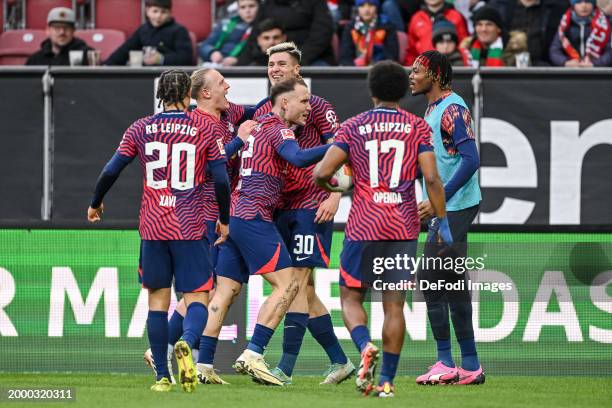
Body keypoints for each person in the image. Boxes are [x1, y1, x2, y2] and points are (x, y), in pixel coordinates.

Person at [313, 60, 452, 397]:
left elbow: (321, 172)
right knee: (394, 305)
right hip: (403, 226)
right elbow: (431, 178)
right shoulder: (418, 127)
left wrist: (341, 186)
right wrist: (442, 219)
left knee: (350, 296)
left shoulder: (351, 126)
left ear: (372, 90)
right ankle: (387, 382)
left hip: (364, 224)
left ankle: (364, 347)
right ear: (403, 89)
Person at [87, 70, 231, 393]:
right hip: (190, 225)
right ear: (187, 96)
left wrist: (96, 202)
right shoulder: (205, 126)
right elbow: (221, 179)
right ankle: (188, 343)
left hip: (153, 227)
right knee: (197, 298)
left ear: (161, 96)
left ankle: (162, 377)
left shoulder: (140, 127)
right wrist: (224, 218)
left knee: (157, 302)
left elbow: (112, 169)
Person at [198, 78, 332, 386]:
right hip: (254, 215)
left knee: (225, 292)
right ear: (284, 103)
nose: (308, 108)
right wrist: (338, 146)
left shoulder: (254, 127)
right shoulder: (278, 128)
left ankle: (204, 363)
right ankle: (254, 353)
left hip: (234, 212)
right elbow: (297, 157)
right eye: (303, 101)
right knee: (288, 286)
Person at [142, 69, 257, 385]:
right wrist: (239, 141)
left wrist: (281, 83)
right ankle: (177, 349)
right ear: (204, 93)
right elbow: (209, 170)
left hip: (214, 215)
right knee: (200, 291)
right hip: (202, 215)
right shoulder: (196, 125)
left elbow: (257, 107)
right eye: (221, 83)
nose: (228, 86)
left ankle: (180, 353)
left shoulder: (224, 111)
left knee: (210, 289)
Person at [251, 42, 354, 385]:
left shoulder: (320, 108)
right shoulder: (267, 109)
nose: (275, 69)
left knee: (295, 283)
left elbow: (343, 151)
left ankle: (284, 368)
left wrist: (336, 195)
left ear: (297, 69)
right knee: (304, 289)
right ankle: (340, 361)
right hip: (282, 205)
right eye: (271, 65)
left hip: (313, 204)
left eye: (282, 64)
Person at [408, 50, 484, 386]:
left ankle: (448, 362)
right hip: (448, 208)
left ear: (435, 75)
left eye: (417, 70)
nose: (411, 75)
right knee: (450, 284)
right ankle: (467, 365)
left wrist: (440, 198)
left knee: (429, 279)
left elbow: (471, 159)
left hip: (455, 208)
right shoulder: (434, 108)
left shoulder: (452, 108)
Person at [105, 0, 193, 66]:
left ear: (170, 13)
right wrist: (105, 66)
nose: (158, 16)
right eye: (155, 11)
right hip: (145, 76)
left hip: (171, 77)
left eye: (163, 12)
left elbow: (186, 58)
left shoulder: (179, 31)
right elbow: (124, 51)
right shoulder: (143, 30)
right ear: (147, 11)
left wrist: (161, 59)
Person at [255, 0, 336, 65]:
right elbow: (255, 34)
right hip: (271, 58)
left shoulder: (316, 2)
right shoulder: (267, 4)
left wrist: (298, 58)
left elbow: (322, 34)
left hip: (312, 58)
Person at [404, 0, 469, 65]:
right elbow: (411, 51)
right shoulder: (416, 18)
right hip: (424, 69)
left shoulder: (456, 16)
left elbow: (464, 45)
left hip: (452, 67)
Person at [549, 0, 612, 67]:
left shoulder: (604, 24)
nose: (584, 6)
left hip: (597, 73)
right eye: (578, 2)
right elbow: (554, 50)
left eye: (588, 2)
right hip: (571, 71)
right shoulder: (565, 24)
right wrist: (565, 62)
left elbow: (609, 51)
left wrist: (594, 64)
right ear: (573, 5)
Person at [461, 5, 527, 66]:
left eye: (489, 24)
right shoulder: (466, 50)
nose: (483, 29)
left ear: (499, 29)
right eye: (479, 24)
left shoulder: (515, 52)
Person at [26, 7, 93, 66]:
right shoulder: (35, 60)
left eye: (67, 28)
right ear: (48, 30)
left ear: (73, 31)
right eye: (57, 27)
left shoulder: (87, 56)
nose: (62, 32)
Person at [339, 0, 399, 66]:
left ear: (376, 7)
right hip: (355, 71)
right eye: (362, 6)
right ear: (357, 8)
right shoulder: (350, 28)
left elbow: (391, 56)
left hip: (381, 70)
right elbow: (346, 57)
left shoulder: (387, 26)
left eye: (371, 5)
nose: (366, 10)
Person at [199, 0, 259, 66]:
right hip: (217, 65)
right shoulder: (225, 24)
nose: (247, 11)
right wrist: (212, 52)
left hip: (244, 69)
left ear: (259, 7)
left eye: (251, 6)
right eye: (242, 7)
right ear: (238, 9)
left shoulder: (265, 28)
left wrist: (238, 61)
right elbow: (204, 46)